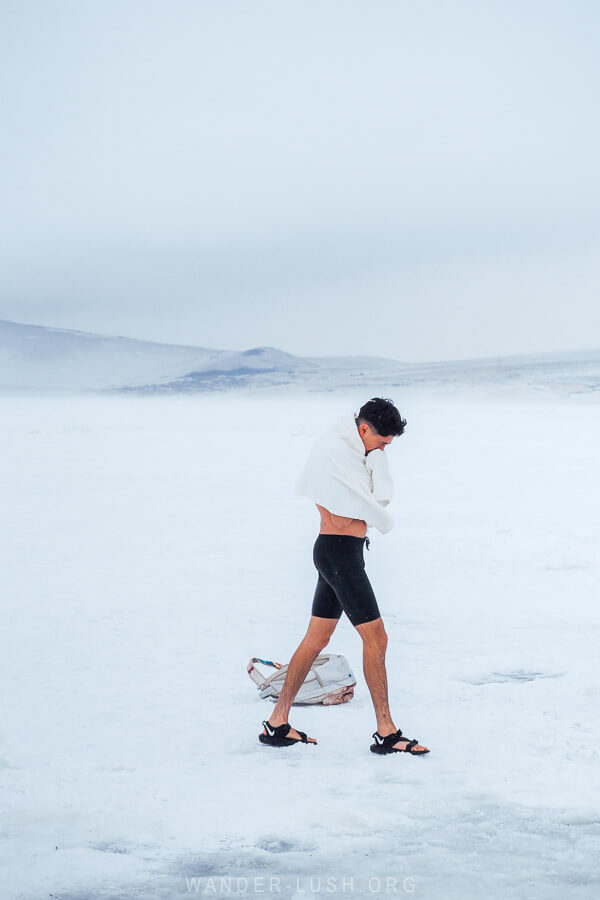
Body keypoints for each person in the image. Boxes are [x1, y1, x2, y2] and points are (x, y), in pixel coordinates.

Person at [258, 397, 430, 755]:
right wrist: (374, 466)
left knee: (316, 639)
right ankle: (386, 731)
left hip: (341, 553)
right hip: (338, 553)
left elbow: (368, 498)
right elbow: (349, 507)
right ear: (363, 429)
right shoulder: (335, 453)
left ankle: (277, 722)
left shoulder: (355, 452)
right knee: (377, 637)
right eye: (382, 442)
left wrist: (375, 457)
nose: (384, 450)